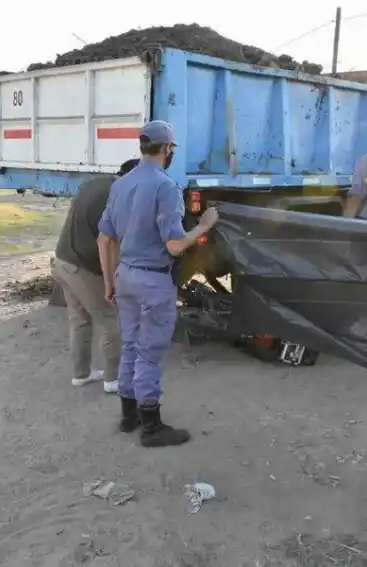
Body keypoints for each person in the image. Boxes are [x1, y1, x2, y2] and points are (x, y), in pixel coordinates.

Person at [97, 120, 219, 448]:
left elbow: (103, 238)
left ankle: (129, 417)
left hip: (126, 275)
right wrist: (204, 225)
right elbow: (175, 246)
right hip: (153, 282)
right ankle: (151, 427)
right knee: (149, 354)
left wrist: (110, 281)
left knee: (130, 347)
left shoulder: (120, 185)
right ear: (167, 149)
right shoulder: (166, 187)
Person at [52, 158, 141, 393]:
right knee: (113, 321)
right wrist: (111, 283)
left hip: (62, 261)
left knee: (80, 320)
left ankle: (81, 374)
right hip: (83, 268)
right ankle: (114, 379)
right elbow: (109, 245)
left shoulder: (96, 184)